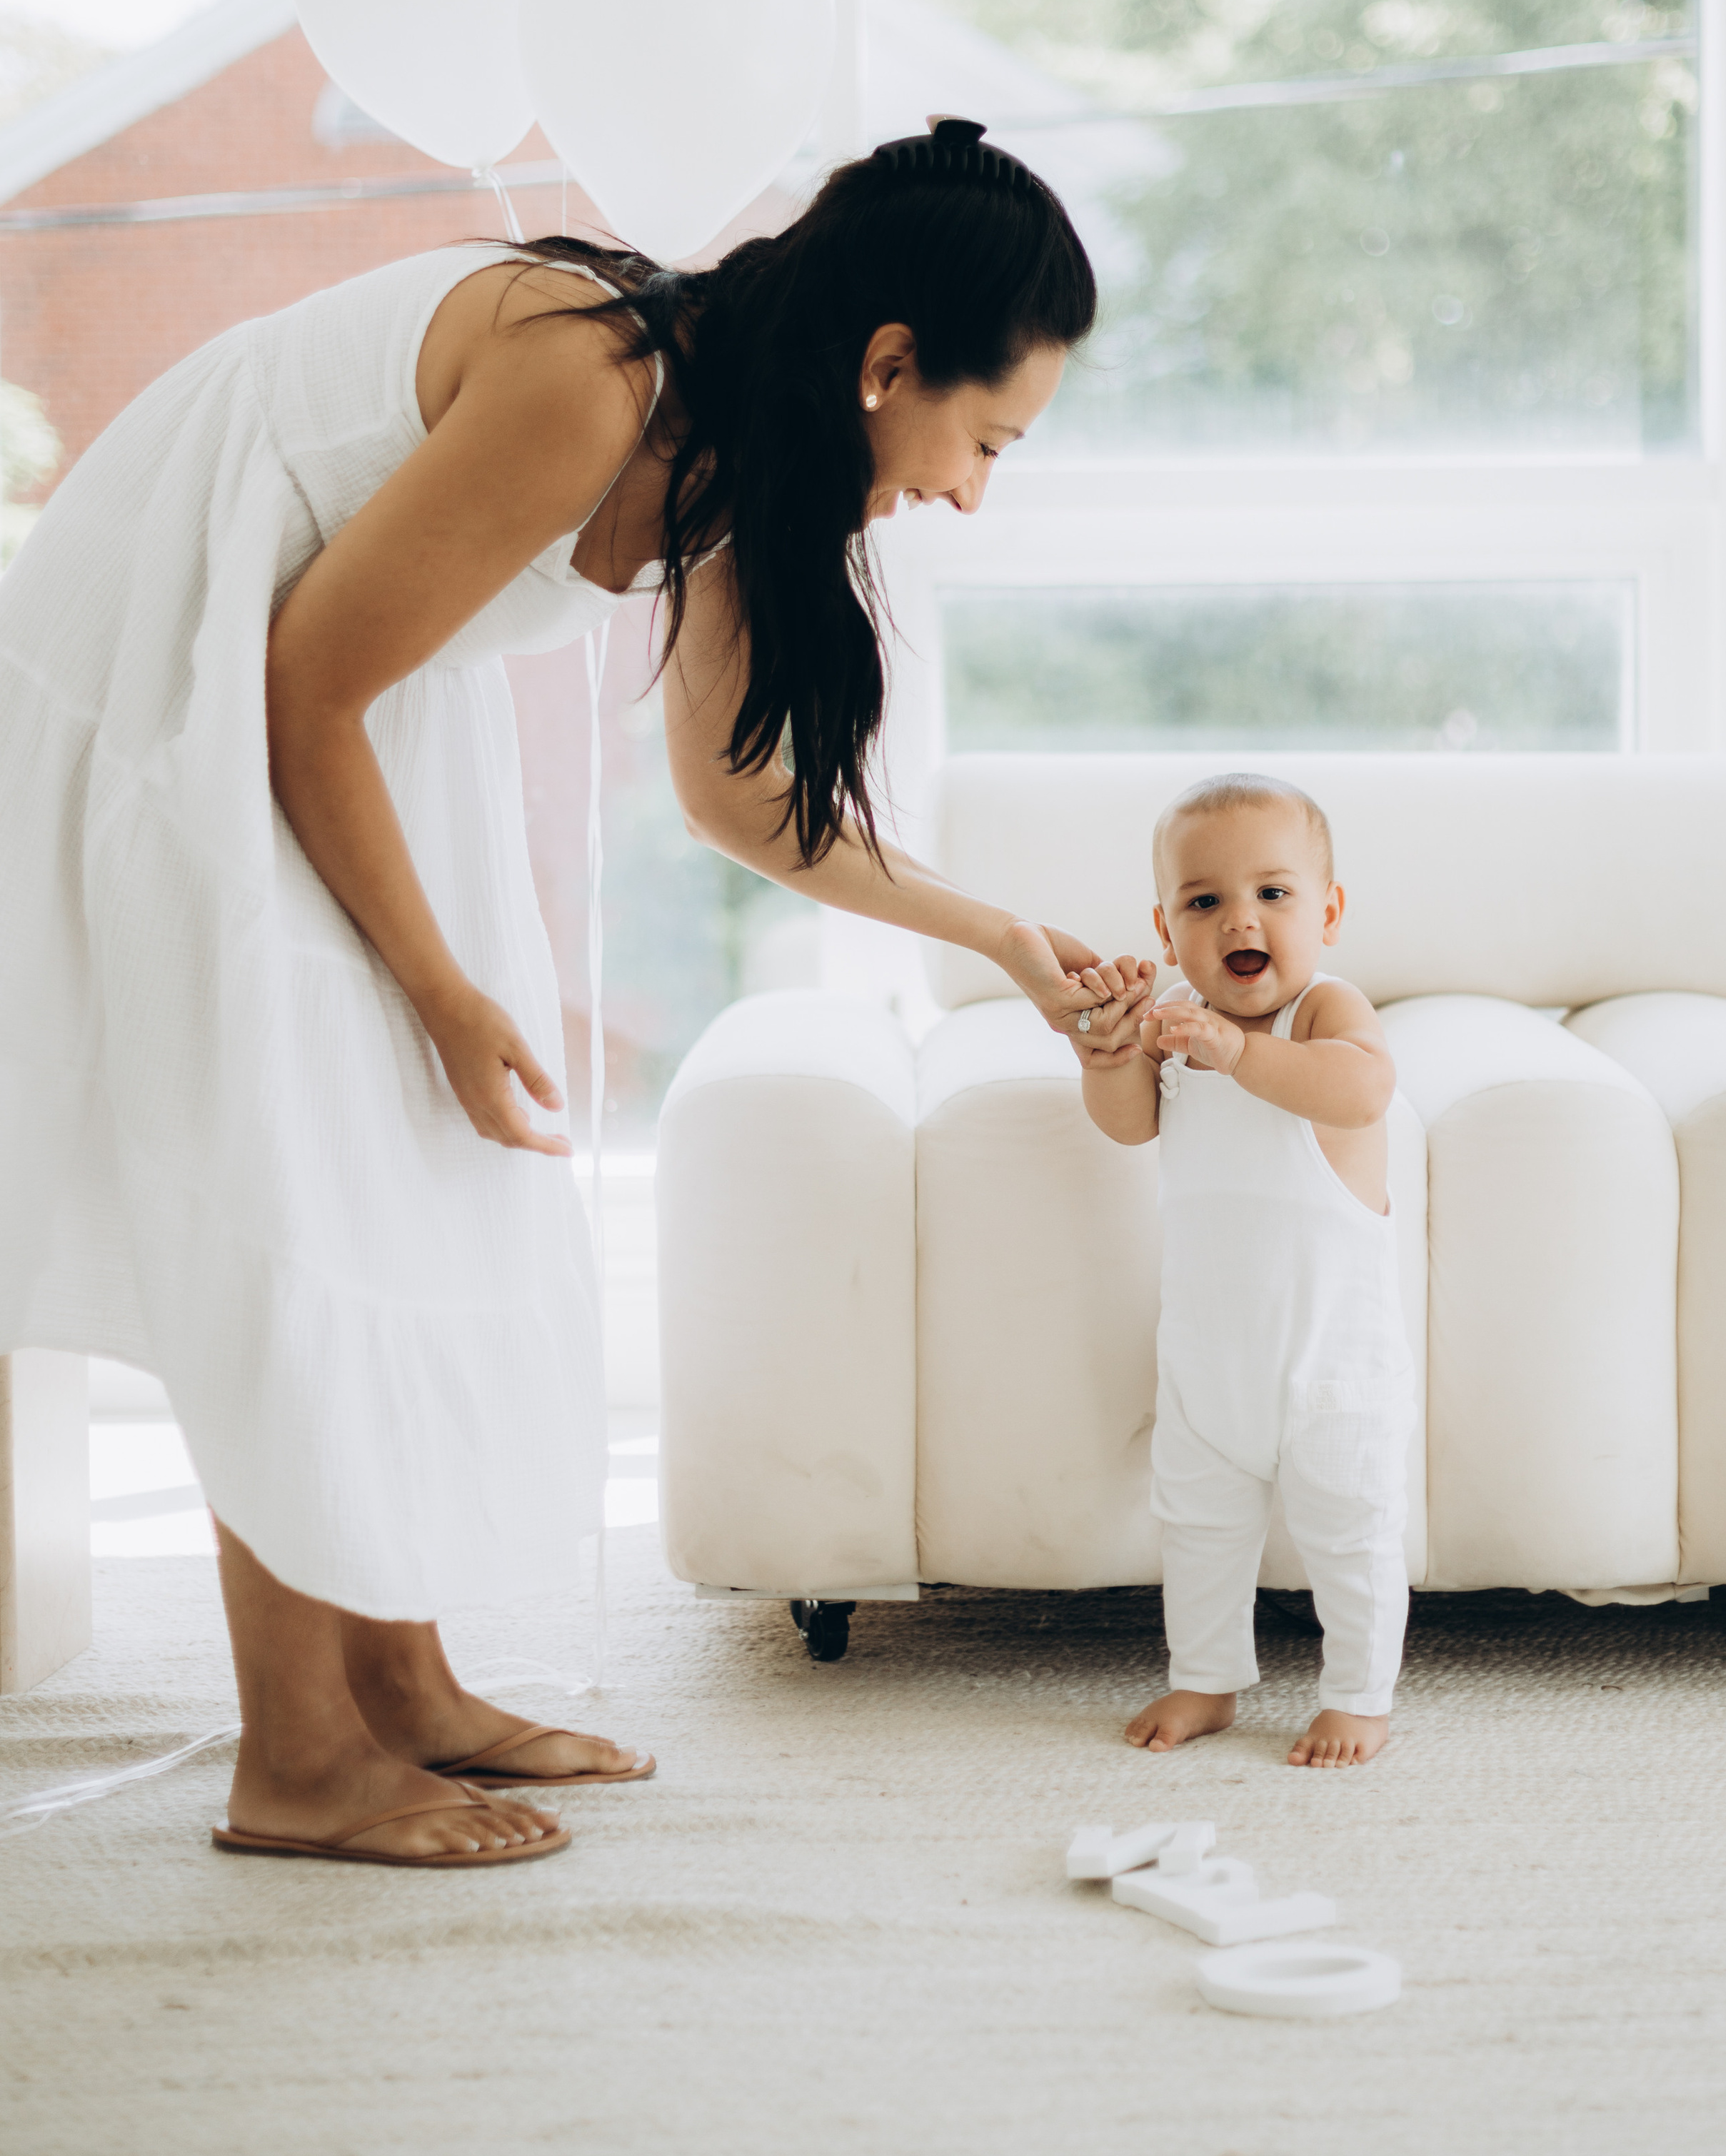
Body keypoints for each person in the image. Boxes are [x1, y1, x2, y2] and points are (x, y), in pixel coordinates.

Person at [0, 117, 1131, 1865]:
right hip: (183, 663)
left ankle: (402, 1686)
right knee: (294, 1186)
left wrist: (997, 942)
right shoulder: (587, 380)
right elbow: (297, 686)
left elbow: (734, 800)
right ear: (886, 363)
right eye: (983, 439)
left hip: (343, 697)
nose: (972, 492)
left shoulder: (746, 446)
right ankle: (295, 1759)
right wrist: (444, 992)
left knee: (411, 1178)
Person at [1070, 772, 1414, 1768]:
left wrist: (1236, 1052)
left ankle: (1359, 1694)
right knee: (1199, 1527)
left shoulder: (1322, 1013)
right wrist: (1107, 1056)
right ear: (1166, 926)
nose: (1239, 922)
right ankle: (1208, 1677)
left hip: (1332, 1371)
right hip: (1209, 1366)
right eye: (1204, 901)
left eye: (1274, 893)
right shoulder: (1177, 1024)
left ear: (1330, 912)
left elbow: (1361, 1093)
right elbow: (1130, 1126)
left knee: (1351, 1536)